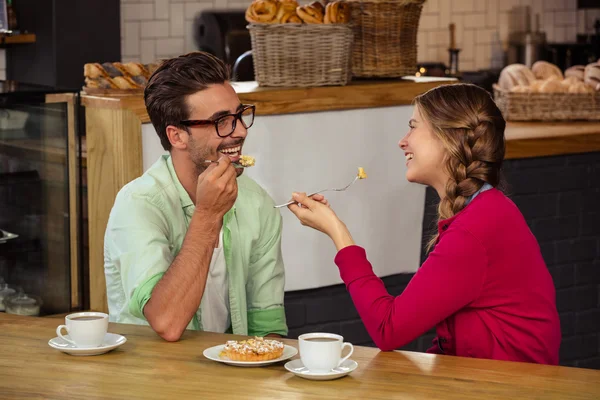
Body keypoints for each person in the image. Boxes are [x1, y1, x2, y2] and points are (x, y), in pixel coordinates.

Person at [287, 83, 560, 364]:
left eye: (413, 127)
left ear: (449, 137)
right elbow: (451, 340)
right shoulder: (485, 212)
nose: (402, 141)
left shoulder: (475, 230)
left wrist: (336, 231)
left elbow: (388, 329)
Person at [104, 52, 287, 341]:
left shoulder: (256, 202)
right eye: (222, 121)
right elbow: (167, 322)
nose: (239, 131)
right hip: (148, 379)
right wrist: (208, 215)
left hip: (231, 379)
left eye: (239, 115)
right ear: (177, 136)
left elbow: (268, 327)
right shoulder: (138, 205)